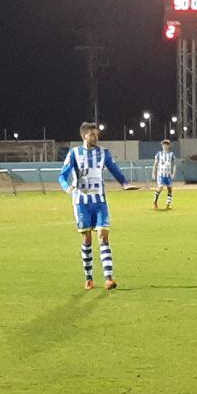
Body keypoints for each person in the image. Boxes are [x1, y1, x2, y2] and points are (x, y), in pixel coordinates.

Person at [58, 121, 137, 290]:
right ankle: (89, 277)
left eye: (97, 134)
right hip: (81, 203)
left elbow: (114, 169)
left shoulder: (103, 153)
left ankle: (108, 278)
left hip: (100, 201)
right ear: (84, 136)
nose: (96, 137)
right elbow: (62, 176)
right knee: (87, 238)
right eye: (92, 134)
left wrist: (125, 184)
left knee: (103, 236)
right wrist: (66, 187)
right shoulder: (74, 154)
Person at [152, 139, 176, 209]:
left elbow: (174, 164)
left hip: (168, 174)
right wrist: (153, 173)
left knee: (170, 189)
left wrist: (173, 173)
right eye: (163, 145)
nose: (164, 146)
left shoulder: (171, 154)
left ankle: (168, 204)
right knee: (160, 187)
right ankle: (155, 202)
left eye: (166, 145)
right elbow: (155, 164)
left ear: (168, 146)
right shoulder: (159, 154)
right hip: (161, 174)